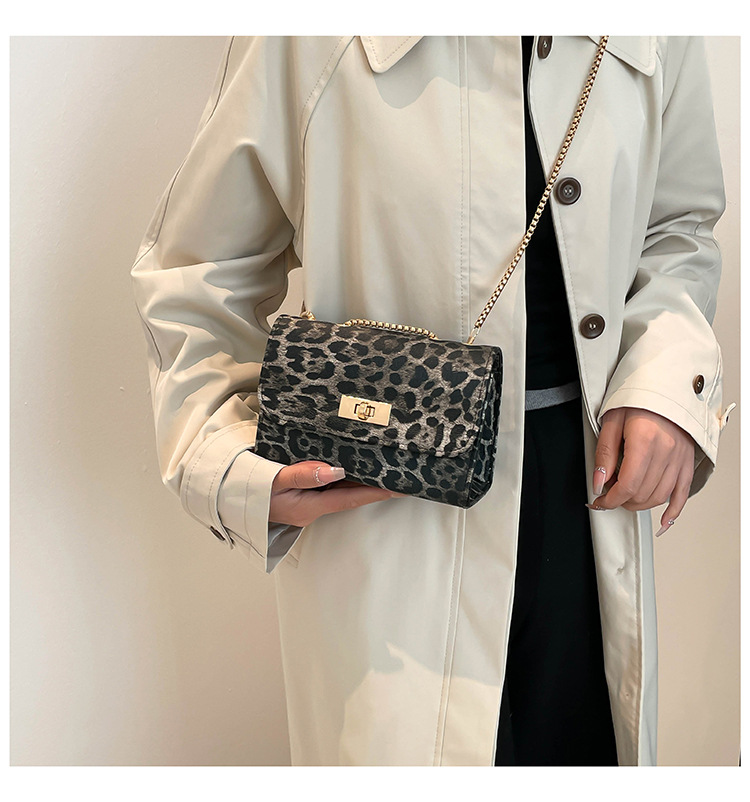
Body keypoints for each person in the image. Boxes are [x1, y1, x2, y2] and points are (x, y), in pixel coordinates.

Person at [130, 36, 732, 766]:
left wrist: (665, 383)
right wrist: (233, 463)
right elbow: (197, 269)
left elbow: (677, 229)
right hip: (384, 502)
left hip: (592, 496)